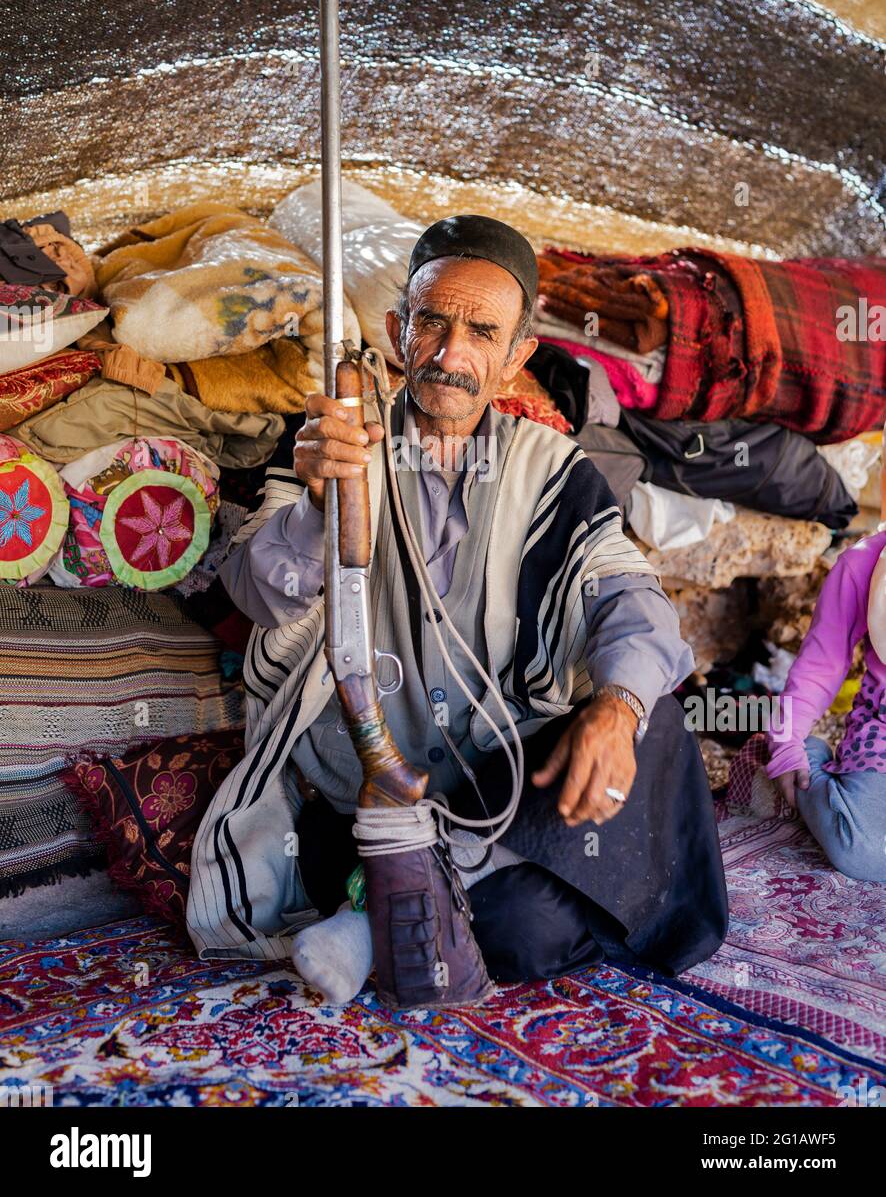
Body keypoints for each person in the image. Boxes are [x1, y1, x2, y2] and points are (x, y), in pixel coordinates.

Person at [187, 215, 727, 999]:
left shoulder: (550, 466)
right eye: (432, 322)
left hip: (503, 782)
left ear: (516, 358)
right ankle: (396, 895)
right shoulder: (333, 440)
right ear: (397, 331)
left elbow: (626, 591)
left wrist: (617, 710)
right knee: (523, 922)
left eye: (481, 332)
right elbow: (254, 592)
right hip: (366, 800)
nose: (449, 353)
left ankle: (374, 921)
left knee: (653, 718)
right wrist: (318, 507)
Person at [767, 431, 886, 882]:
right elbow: (819, 668)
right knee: (864, 849)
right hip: (882, 739)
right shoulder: (863, 566)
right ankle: (816, 762)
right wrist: (787, 745)